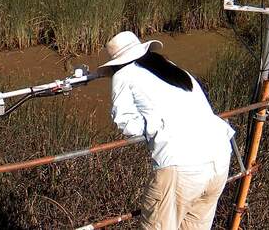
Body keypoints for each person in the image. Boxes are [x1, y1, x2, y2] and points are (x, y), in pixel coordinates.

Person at [99, 31, 234, 230]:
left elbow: (126, 124)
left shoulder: (123, 75)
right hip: (219, 159)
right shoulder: (175, 70)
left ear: (117, 62)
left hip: (182, 166)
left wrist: (152, 125)